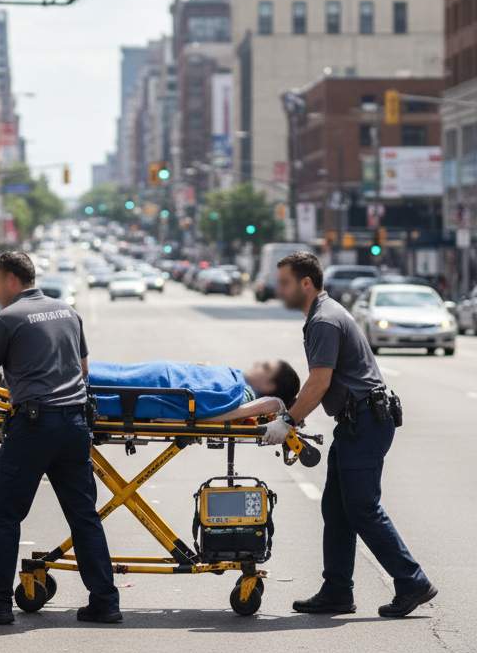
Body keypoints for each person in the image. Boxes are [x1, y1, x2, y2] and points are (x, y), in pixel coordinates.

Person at [266, 250, 436, 618]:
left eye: (285, 283)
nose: (279, 290)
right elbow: (323, 385)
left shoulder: (324, 320)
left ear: (306, 283)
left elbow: (320, 379)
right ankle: (337, 591)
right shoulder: (322, 314)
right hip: (357, 420)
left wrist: (289, 421)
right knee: (337, 508)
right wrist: (296, 411)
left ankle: (412, 581)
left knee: (362, 508)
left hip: (366, 420)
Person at [0, 250, 121, 625]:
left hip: (33, 426)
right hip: (75, 424)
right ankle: (105, 602)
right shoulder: (67, 312)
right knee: (83, 516)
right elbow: (82, 369)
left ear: (12, 280)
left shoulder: (7, 319)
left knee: (2, 513)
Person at [88, 358, 300, 422]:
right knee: (104, 374)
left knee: (97, 378)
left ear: (270, 387)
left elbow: (220, 412)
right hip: (161, 377)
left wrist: (269, 405)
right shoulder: (239, 383)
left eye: (266, 367)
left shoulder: (243, 395)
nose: (259, 362)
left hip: (159, 384)